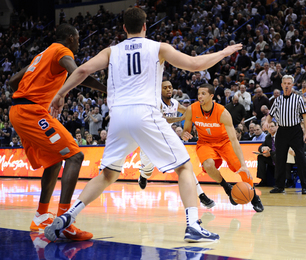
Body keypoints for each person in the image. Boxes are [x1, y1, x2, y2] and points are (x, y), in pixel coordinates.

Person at [45, 7, 242, 243]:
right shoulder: (158, 47)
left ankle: (68, 216)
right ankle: (193, 227)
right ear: (146, 26)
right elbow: (194, 63)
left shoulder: (112, 51)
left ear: (124, 28)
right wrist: (224, 52)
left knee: (108, 174)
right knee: (184, 168)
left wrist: (61, 93)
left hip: (117, 117)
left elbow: (84, 69)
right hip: (144, 113)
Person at [9, 23, 107, 240]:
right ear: (71, 38)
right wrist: (107, 89)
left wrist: (37, 88)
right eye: (78, 38)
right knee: (75, 155)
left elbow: (13, 81)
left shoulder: (41, 55)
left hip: (18, 111)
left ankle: (41, 216)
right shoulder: (63, 51)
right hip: (31, 112)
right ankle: (65, 221)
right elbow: (80, 73)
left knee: (55, 161)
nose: (79, 42)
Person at [181, 84, 264, 213]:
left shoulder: (223, 112)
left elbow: (234, 140)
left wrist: (243, 164)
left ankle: (254, 197)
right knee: (208, 165)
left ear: (211, 96)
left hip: (224, 142)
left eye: (203, 93)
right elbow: (185, 131)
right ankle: (227, 188)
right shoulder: (192, 109)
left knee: (241, 169)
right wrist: (184, 134)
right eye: (198, 93)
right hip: (205, 143)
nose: (199, 96)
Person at [138, 80, 215, 209]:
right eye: (165, 88)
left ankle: (202, 196)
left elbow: (188, 111)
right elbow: (162, 119)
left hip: (167, 137)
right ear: (159, 90)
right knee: (147, 169)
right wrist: (180, 118)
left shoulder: (174, 103)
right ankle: (143, 176)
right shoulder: (155, 103)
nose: (169, 89)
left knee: (185, 164)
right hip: (150, 139)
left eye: (170, 87)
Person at [266, 75, 306, 194]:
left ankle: (305, 186)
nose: (286, 85)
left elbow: (305, 117)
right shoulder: (277, 100)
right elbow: (270, 115)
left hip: (295, 131)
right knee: (280, 159)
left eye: (289, 83)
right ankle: (279, 186)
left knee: (300, 158)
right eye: (284, 83)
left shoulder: (298, 99)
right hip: (282, 131)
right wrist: (266, 122)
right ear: (281, 85)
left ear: (292, 85)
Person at [256, 121, 278, 186]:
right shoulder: (268, 137)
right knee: (261, 157)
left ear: (276, 127)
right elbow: (260, 147)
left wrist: (270, 154)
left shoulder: (280, 136)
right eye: (269, 127)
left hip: (280, 158)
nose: (270, 128)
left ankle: (279, 181)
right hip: (272, 158)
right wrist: (263, 148)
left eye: (272, 126)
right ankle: (263, 180)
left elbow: (281, 150)